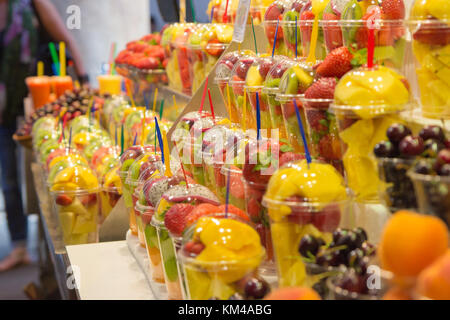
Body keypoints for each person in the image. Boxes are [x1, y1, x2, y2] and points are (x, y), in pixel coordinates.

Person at [0, 0, 87, 271]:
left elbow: (66, 38)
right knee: (8, 179)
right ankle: (19, 246)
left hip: (36, 106)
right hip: (3, 108)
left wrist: (83, 80)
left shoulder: (30, 3)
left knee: (42, 174)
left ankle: (54, 258)